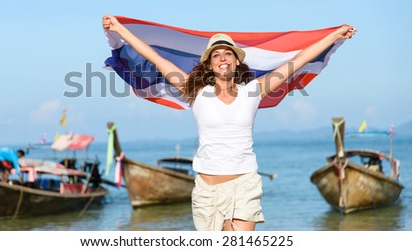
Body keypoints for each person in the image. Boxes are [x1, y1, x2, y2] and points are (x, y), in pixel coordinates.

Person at [102, 15, 356, 231]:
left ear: (236, 61)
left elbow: (295, 63)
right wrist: (120, 29)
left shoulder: (253, 92)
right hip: (206, 190)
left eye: (228, 54)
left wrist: (335, 36)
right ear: (210, 65)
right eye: (216, 56)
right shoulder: (196, 92)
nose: (223, 58)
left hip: (243, 185)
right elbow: (157, 58)